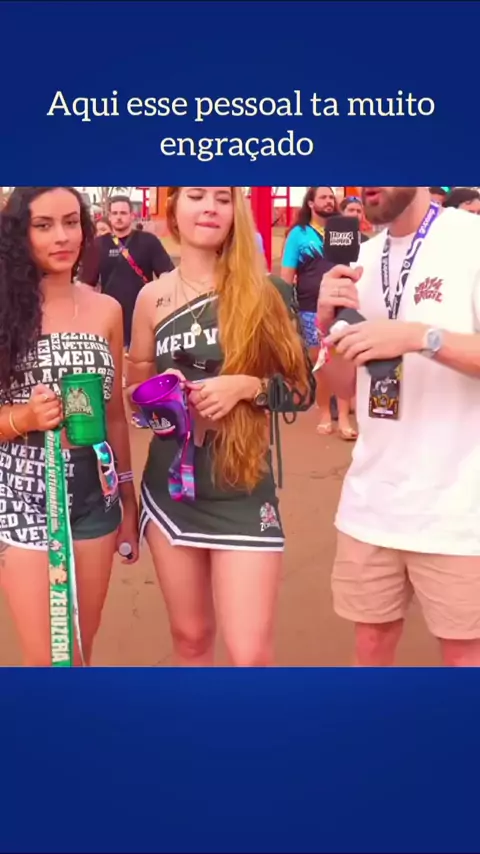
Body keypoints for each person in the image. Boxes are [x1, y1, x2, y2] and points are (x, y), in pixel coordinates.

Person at [126, 186, 311, 667]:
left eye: (223, 199)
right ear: (173, 209)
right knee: (190, 639)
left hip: (243, 486)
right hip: (172, 490)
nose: (210, 207)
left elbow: (302, 390)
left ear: (236, 212)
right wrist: (160, 399)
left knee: (250, 656)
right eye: (196, 195)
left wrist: (245, 387)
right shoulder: (152, 298)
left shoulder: (267, 292)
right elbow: (137, 394)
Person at [317, 185, 480, 667]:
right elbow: (342, 385)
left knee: (463, 657)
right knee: (370, 648)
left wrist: (419, 337)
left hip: (458, 510)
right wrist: (324, 324)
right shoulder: (360, 261)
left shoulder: (470, 241)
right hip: (371, 503)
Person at [0, 186, 138, 666]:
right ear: (19, 233)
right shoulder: (5, 310)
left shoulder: (107, 310)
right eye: (44, 225)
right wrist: (24, 418)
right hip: (22, 497)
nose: (62, 236)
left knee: (78, 652)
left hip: (95, 497)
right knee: (48, 660)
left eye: (71, 222)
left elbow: (115, 413)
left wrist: (127, 498)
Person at [81, 195, 175, 427]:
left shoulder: (148, 241)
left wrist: (164, 303)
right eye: (114, 213)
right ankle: (107, 415)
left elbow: (167, 275)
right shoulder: (98, 246)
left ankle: (149, 412)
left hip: (143, 314)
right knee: (109, 370)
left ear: (132, 216)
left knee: (144, 368)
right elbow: (86, 285)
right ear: (108, 215)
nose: (119, 217)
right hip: (110, 316)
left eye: (123, 213)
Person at [281, 187, 357, 441]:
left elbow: (355, 264)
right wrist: (285, 310)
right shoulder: (298, 234)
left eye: (331, 197)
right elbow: (287, 275)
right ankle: (324, 412)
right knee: (321, 365)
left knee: (343, 359)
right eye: (323, 197)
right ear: (311, 203)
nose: (329, 201)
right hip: (309, 309)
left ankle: (343, 418)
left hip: (343, 305)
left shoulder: (343, 230)